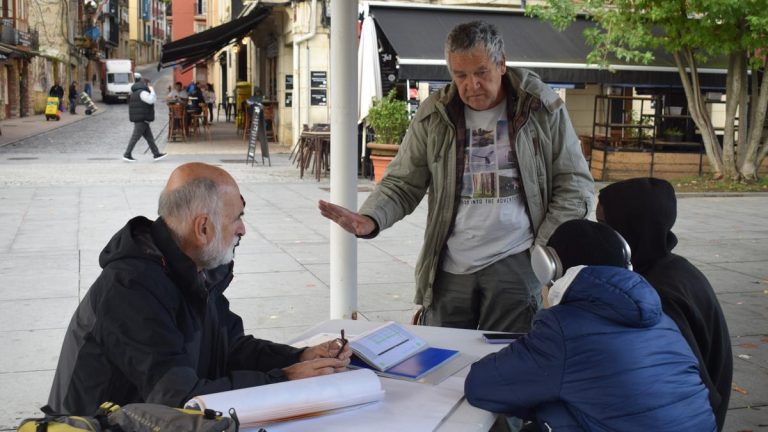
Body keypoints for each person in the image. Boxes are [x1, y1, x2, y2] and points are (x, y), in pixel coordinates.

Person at [318, 21, 594, 332]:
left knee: (505, 361)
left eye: (481, 72)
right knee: (443, 357)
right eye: (460, 75)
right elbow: (402, 182)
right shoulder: (436, 113)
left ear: (502, 64)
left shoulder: (541, 107)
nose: (471, 85)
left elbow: (575, 185)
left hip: (517, 259)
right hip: (449, 265)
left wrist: (543, 247)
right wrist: (371, 218)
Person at [47, 162, 353, 415]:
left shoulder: (190, 266)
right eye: (237, 219)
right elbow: (181, 399)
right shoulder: (131, 288)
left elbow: (230, 348)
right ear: (203, 228)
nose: (242, 229)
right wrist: (283, 380)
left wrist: (298, 358)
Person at [464, 219, 717, 431]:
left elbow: (481, 386)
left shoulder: (564, 329)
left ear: (549, 268)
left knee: (549, 408)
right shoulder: (662, 320)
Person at [597, 177, 732, 431]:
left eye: (603, 225)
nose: (597, 235)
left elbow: (685, 388)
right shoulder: (673, 267)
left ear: (630, 228)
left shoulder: (658, 294)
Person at [122, 78, 166, 162]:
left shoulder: (135, 93)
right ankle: (127, 154)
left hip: (141, 119)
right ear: (146, 84)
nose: (150, 86)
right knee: (135, 138)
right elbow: (151, 100)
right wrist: (152, 90)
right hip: (142, 119)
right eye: (149, 84)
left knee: (150, 138)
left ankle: (156, 154)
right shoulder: (143, 92)